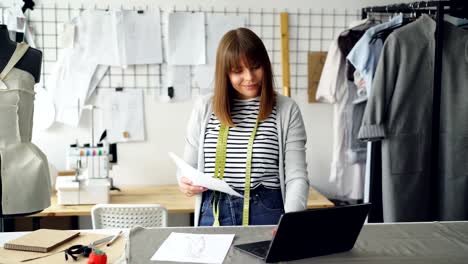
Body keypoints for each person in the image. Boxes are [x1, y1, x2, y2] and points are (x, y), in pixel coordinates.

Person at [178, 27, 309, 226]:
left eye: (255, 66)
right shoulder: (205, 108)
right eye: (238, 71)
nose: (249, 77)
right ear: (225, 73)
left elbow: (296, 176)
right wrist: (185, 182)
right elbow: (188, 168)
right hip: (213, 210)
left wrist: (291, 223)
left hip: (266, 211)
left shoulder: (286, 109)